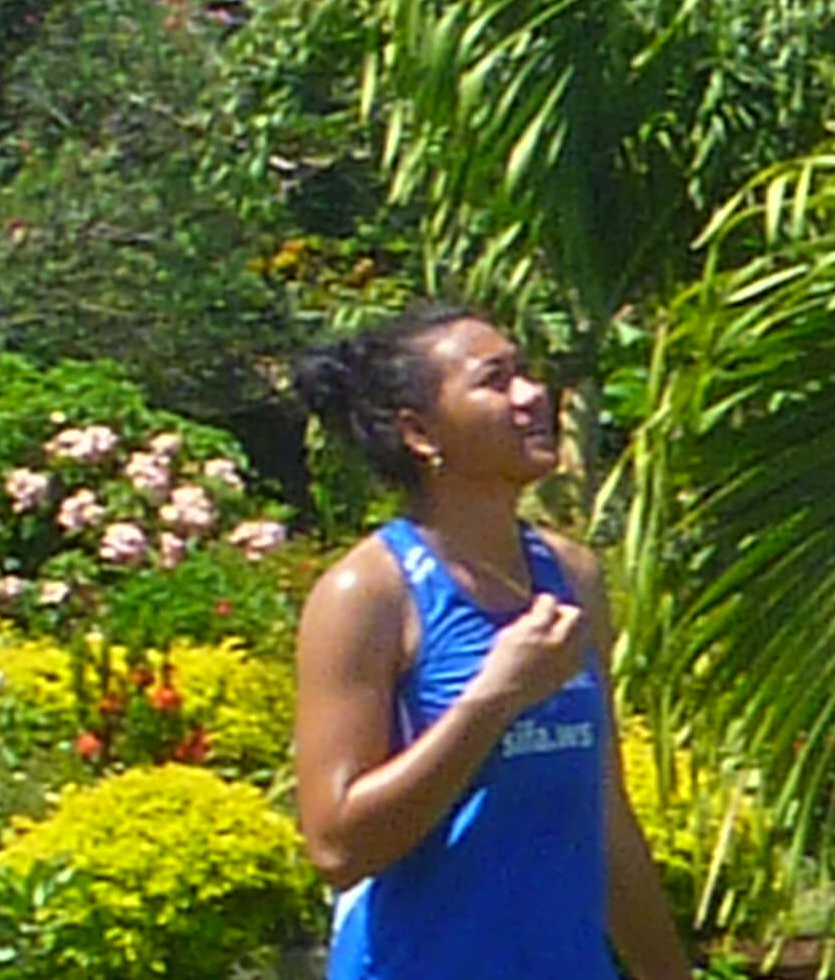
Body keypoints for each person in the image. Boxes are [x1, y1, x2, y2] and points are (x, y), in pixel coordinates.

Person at [290, 305, 689, 980]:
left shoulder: (572, 577)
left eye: (526, 373)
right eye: (495, 380)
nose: (532, 395)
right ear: (420, 432)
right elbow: (336, 847)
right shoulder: (368, 593)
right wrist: (492, 699)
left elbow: (606, 818)